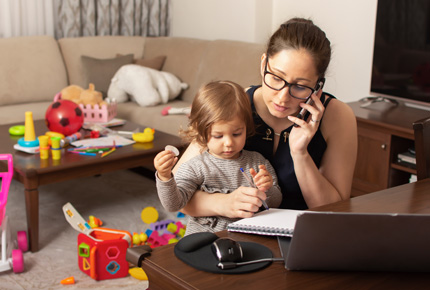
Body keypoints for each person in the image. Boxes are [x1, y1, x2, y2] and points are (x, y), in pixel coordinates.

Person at [175, 17, 358, 219]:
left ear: (318, 86)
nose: (282, 97)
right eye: (276, 78)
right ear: (264, 64)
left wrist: (300, 154)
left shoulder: (338, 117)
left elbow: (334, 213)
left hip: (303, 234)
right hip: (235, 232)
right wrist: (223, 203)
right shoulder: (237, 103)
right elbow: (174, 193)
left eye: (300, 86)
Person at [154, 80, 282, 235]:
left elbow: (275, 203)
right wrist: (165, 176)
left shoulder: (257, 162)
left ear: (246, 128)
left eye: (237, 134)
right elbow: (174, 204)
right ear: (202, 133)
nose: (228, 143)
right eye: (218, 136)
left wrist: (267, 189)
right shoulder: (195, 166)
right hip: (203, 243)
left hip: (247, 240)